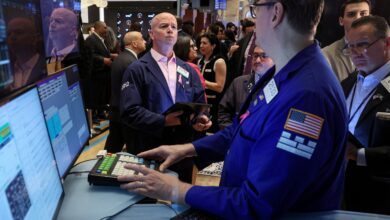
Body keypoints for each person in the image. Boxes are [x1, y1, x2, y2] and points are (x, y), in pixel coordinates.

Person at [118, 1, 348, 218]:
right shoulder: (284, 73)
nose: (254, 20)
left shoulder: (307, 95)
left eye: (255, 10)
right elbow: (241, 130)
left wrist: (177, 191)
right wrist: (187, 149)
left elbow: (258, 205)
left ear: (276, 13)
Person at [119, 12, 211, 183]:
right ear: (152, 34)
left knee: (181, 200)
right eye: (164, 26)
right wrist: (163, 121)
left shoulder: (189, 70)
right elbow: (129, 111)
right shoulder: (137, 69)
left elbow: (200, 102)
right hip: (150, 146)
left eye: (174, 27)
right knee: (147, 199)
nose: (170, 30)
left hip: (182, 146)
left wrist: (202, 118)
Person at [341, 15, 390, 214]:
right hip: (343, 191)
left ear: (387, 43)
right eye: (350, 46)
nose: (354, 53)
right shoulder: (348, 82)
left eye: (362, 44)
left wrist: (358, 155)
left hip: (380, 198)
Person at [104, 31, 146, 153]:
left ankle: (102, 170)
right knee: (132, 150)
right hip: (125, 113)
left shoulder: (121, 58)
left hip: (117, 110)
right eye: (142, 39)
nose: (145, 41)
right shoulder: (131, 62)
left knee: (113, 147)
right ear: (134, 43)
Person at [218, 46, 274, 129]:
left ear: (274, 59)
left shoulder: (279, 86)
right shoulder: (238, 82)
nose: (258, 60)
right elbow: (224, 112)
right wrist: (232, 133)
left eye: (264, 56)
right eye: (255, 56)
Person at [322, 0, 371, 81]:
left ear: (370, 19)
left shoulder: (383, 52)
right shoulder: (325, 56)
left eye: (363, 14)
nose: (358, 18)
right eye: (351, 14)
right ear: (341, 21)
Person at [84, 21, 117, 119]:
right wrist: (103, 60)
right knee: (96, 95)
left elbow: (100, 52)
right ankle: (94, 116)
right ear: (98, 28)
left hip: (103, 74)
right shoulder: (91, 39)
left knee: (101, 95)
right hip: (96, 74)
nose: (106, 30)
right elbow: (90, 55)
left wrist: (110, 55)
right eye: (105, 28)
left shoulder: (99, 39)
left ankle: (100, 113)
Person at [197, 32, 227, 132]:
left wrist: (202, 82)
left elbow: (220, 87)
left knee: (210, 130)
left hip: (214, 104)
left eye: (205, 43)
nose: (201, 46)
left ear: (213, 45)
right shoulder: (200, 61)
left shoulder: (219, 62)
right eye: (201, 43)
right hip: (201, 102)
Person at [6, 17, 47, 90]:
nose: (12, 37)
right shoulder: (7, 71)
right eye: (9, 34)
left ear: (34, 38)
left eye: (18, 32)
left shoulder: (48, 66)